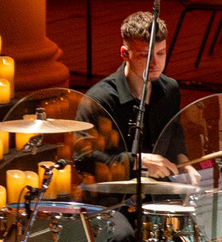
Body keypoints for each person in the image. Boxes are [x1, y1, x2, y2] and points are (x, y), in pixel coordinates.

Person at [79, 12, 186, 179]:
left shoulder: (169, 89)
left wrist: (185, 164)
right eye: (145, 55)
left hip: (160, 194)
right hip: (117, 197)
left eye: (161, 53)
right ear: (124, 53)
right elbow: (85, 159)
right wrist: (139, 161)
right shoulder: (99, 100)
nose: (155, 63)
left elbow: (174, 137)